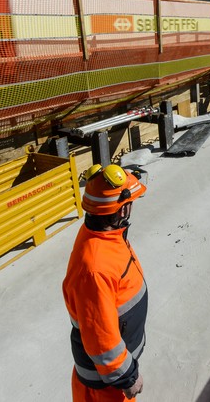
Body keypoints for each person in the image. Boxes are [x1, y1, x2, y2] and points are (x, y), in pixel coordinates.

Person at [63, 164, 148, 401]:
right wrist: (128, 377)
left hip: (109, 374)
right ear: (122, 211)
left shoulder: (103, 234)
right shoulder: (94, 269)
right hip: (107, 383)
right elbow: (101, 339)